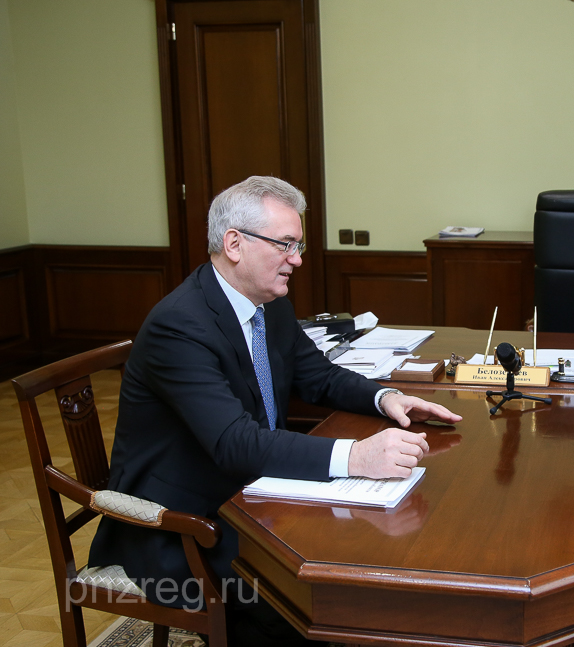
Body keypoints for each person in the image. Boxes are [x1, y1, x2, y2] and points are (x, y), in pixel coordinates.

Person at [88, 176, 461, 646]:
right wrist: (357, 457)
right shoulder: (179, 325)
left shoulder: (266, 302)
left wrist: (385, 398)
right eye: (286, 244)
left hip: (253, 491)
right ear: (234, 244)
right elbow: (233, 441)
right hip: (183, 522)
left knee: (364, 565)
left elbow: (318, 375)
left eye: (299, 245)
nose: (298, 259)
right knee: (306, 603)